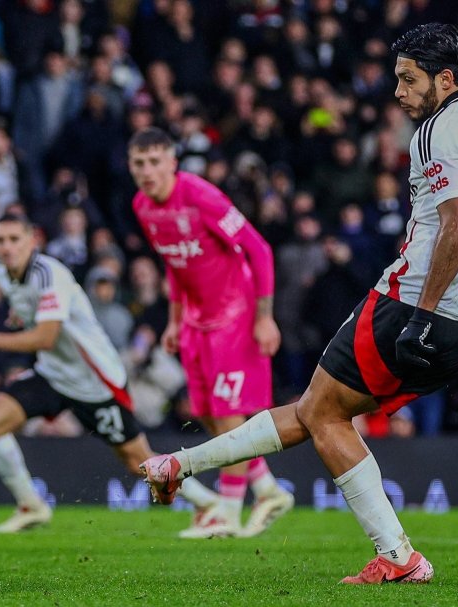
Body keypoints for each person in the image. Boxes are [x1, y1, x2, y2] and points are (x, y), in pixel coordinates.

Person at [139, 23, 458, 584]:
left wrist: (422, 313)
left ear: (444, 79)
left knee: (320, 411)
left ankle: (398, 556)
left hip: (416, 304)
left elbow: (457, 223)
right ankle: (176, 466)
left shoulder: (438, 129)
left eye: (408, 79)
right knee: (319, 410)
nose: (398, 91)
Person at [0, 214, 218, 533]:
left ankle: (209, 504)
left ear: (32, 240)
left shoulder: (50, 274)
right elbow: (34, 319)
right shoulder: (1, 274)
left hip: (95, 381)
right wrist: (20, 317)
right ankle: (31, 505)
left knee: (137, 461)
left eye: (14, 239)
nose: (6, 248)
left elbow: (45, 337)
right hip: (53, 373)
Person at [128, 126, 295, 539]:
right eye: (138, 163)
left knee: (229, 415)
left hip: (235, 314)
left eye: (154, 162)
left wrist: (264, 316)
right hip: (195, 320)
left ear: (172, 162)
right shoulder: (143, 206)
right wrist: (172, 319)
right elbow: (174, 263)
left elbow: (259, 249)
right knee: (205, 412)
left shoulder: (202, 197)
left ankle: (227, 511)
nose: (147, 171)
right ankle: (269, 490)